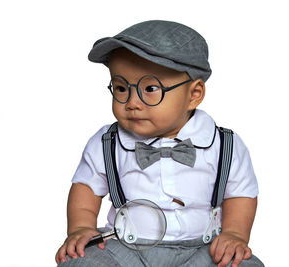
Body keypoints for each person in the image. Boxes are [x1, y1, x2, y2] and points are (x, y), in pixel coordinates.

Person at [55, 20, 264, 267]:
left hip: (201, 249)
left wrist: (235, 234)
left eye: (150, 88)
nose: (132, 102)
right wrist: (80, 227)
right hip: (126, 247)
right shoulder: (107, 142)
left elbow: (240, 193)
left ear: (194, 95)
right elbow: (86, 188)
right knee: (79, 261)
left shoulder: (224, 144)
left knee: (245, 265)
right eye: (121, 88)